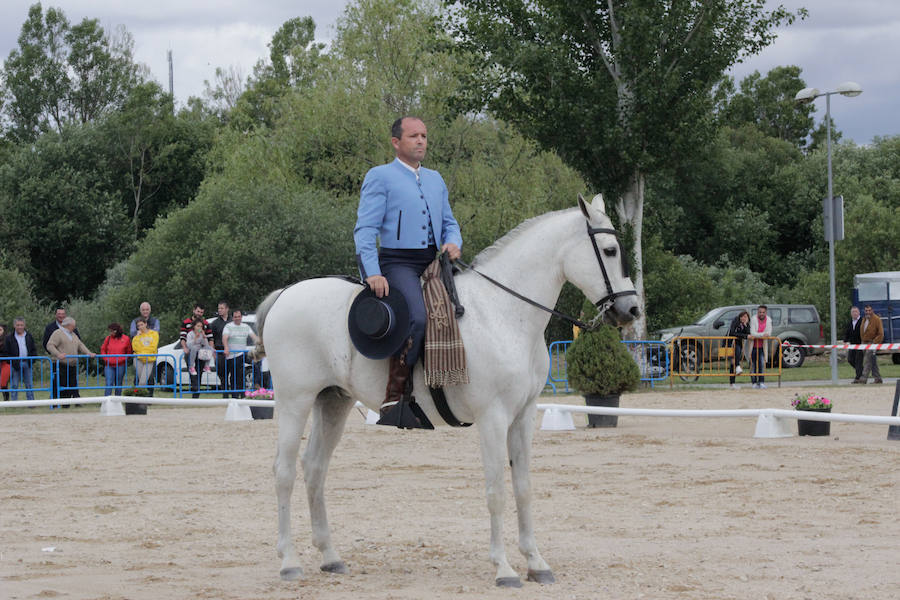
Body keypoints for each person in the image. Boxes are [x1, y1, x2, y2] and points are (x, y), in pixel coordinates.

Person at [353, 116, 462, 422]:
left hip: (434, 261)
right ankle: (395, 394)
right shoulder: (380, 176)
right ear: (396, 142)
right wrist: (372, 272)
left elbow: (450, 223)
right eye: (414, 136)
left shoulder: (435, 179)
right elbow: (365, 230)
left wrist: (453, 242)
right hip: (398, 262)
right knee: (416, 317)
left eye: (424, 135)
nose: (421, 141)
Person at [46, 317, 95, 403]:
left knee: (71, 384)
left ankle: (67, 403)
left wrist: (89, 353)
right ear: (68, 325)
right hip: (60, 364)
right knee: (59, 383)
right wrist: (58, 354)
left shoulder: (73, 335)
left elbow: (80, 345)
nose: (75, 327)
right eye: (73, 325)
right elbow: (50, 345)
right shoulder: (57, 333)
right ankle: (54, 402)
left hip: (72, 364)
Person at [42, 308, 80, 399]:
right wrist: (57, 354)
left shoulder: (73, 328)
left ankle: (75, 399)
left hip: (71, 360)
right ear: (56, 315)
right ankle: (56, 400)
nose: (61, 316)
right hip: (57, 361)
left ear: (65, 315)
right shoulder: (50, 328)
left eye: (63, 314)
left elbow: (79, 342)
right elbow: (47, 343)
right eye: (59, 314)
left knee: (72, 381)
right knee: (57, 381)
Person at [222, 309, 258, 399]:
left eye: (239, 316)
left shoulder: (246, 326)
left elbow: (254, 337)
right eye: (235, 317)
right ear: (232, 318)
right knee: (235, 376)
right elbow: (224, 338)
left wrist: (260, 345)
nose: (237, 318)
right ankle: (235, 396)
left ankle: (255, 386)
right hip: (232, 356)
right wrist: (226, 348)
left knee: (257, 364)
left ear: (241, 317)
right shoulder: (228, 326)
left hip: (243, 353)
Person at [3, 318, 37, 402]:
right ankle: (14, 403)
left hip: (27, 363)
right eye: (18, 325)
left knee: (29, 384)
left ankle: (31, 402)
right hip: (15, 364)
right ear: (14, 326)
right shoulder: (9, 337)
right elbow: (6, 352)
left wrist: (32, 360)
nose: (20, 327)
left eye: (21, 325)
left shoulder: (29, 336)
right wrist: (12, 362)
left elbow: (33, 349)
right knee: (14, 384)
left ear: (24, 325)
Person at [854, 304, 884, 384]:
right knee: (872, 360)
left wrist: (874, 342)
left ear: (872, 310)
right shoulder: (864, 319)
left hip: (872, 343)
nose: (868, 312)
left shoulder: (877, 319)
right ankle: (877, 378)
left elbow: (881, 334)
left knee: (867, 360)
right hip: (864, 343)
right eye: (866, 310)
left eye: (869, 310)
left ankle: (863, 378)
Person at [100, 323, 131, 396]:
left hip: (121, 365)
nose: (110, 333)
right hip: (109, 365)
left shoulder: (126, 338)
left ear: (117, 330)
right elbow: (103, 349)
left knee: (118, 383)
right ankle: (106, 400)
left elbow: (129, 352)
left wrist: (122, 359)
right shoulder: (108, 338)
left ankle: (117, 400)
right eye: (110, 331)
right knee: (109, 383)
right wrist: (106, 359)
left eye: (112, 331)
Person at [748, 305, 772, 389]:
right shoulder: (753, 319)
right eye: (760, 312)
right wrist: (762, 335)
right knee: (753, 365)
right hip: (752, 346)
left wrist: (759, 335)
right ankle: (754, 383)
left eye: (763, 312)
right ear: (757, 312)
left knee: (762, 364)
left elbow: (769, 333)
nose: (761, 314)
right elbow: (752, 333)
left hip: (762, 346)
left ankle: (761, 382)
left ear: (766, 312)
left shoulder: (768, 320)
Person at [209, 301, 231, 393]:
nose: (219, 310)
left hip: (232, 352)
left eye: (222, 308)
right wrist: (213, 352)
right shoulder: (214, 323)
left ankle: (235, 395)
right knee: (222, 375)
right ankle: (225, 394)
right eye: (218, 308)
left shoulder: (232, 321)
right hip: (220, 352)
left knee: (234, 374)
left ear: (227, 309)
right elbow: (211, 338)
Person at [131, 317, 159, 388]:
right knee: (141, 380)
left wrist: (142, 351)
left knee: (143, 382)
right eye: (138, 326)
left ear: (145, 324)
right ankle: (141, 393)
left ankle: (138, 393)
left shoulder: (154, 334)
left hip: (149, 359)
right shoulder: (137, 336)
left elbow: (153, 347)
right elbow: (135, 347)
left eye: (142, 324)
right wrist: (137, 336)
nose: (140, 327)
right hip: (138, 359)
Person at [725, 310, 750, 390]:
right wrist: (744, 336)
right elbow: (732, 333)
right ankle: (737, 367)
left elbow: (748, 333)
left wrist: (745, 325)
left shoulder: (746, 323)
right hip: (729, 343)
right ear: (739, 317)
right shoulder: (735, 321)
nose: (743, 318)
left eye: (745, 317)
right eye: (742, 316)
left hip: (738, 344)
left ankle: (732, 383)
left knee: (734, 361)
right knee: (733, 362)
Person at [844, 306, 863, 381]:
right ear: (851, 313)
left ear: (859, 312)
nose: (854, 313)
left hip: (860, 344)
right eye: (853, 312)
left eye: (856, 311)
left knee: (858, 361)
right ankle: (861, 371)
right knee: (850, 359)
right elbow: (847, 332)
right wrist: (845, 340)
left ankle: (858, 377)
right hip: (852, 345)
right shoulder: (850, 322)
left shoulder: (862, 321)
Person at [0, 323, 9, 400]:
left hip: (5, 363)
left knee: (3, 383)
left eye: (0, 330)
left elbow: (7, 352)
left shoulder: (7, 340)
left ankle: (6, 399)